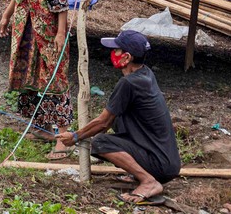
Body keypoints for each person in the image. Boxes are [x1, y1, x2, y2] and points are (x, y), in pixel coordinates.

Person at [56, 30, 181, 206]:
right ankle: (138, 173)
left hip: (160, 164)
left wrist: (75, 136)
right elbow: (110, 119)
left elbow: (102, 123)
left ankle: (148, 181)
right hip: (167, 161)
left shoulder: (129, 83)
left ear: (127, 57)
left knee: (101, 142)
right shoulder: (145, 74)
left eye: (117, 50)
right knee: (117, 117)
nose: (113, 53)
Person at [0, 0, 72, 157]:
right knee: (28, 73)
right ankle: (42, 127)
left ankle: (63, 135)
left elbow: (61, 4)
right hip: (24, 25)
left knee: (54, 76)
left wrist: (61, 34)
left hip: (48, 28)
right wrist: (6, 16)